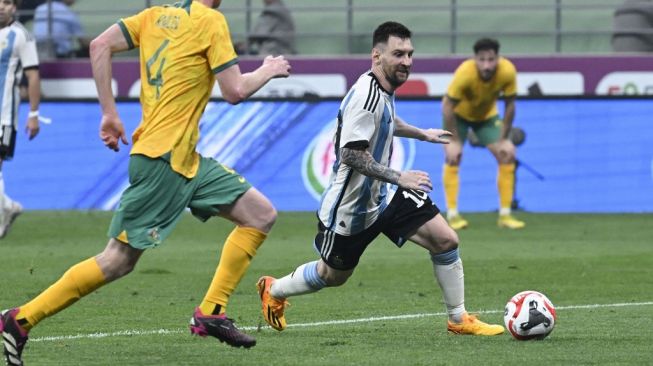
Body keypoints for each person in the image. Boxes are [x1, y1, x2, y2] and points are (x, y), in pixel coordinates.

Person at [0, 0, 290, 363]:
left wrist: (109, 112)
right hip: (164, 162)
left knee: (260, 214)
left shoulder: (152, 17)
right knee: (117, 260)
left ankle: (211, 312)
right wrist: (270, 69)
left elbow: (99, 45)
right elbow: (235, 91)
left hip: (185, 159)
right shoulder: (210, 21)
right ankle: (21, 319)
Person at [256, 21, 504, 338]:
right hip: (350, 211)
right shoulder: (365, 96)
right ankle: (275, 289)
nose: (407, 61)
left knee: (445, 240)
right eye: (398, 54)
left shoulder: (382, 89)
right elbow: (351, 155)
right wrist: (399, 176)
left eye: (410, 54)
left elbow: (387, 119)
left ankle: (458, 319)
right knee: (332, 275)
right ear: (377, 56)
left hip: (383, 196)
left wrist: (421, 134)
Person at [441, 38, 525, 230]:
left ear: (498, 58)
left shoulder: (507, 71)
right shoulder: (465, 73)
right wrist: (452, 142)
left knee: (507, 154)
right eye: (482, 59)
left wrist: (504, 139)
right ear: (475, 59)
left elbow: (510, 105)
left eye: (491, 59)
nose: (486, 65)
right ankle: (453, 215)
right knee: (453, 157)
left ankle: (505, 216)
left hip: (486, 117)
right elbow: (447, 106)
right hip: (458, 117)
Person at [0, 0, 42, 239]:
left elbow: (33, 75)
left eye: (7, 2)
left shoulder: (22, 36)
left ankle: (6, 207)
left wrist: (33, 114)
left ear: (15, 7)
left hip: (4, 115)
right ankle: (8, 206)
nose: (1, 6)